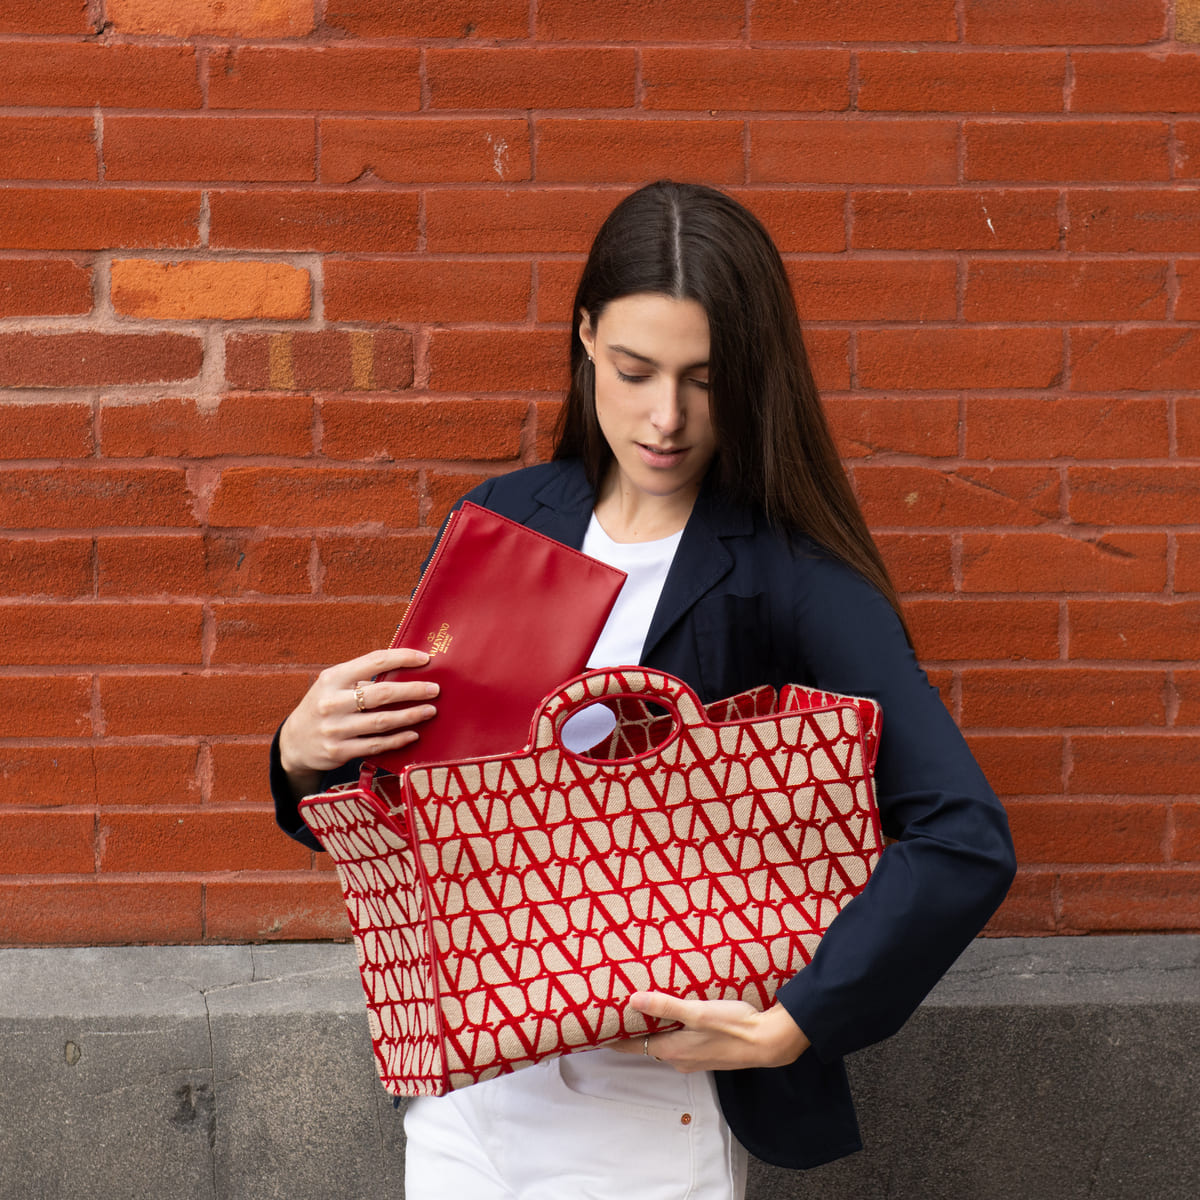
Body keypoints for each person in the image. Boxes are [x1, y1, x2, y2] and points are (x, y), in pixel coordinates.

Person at [270, 181, 1016, 1198]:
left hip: (648, 1107)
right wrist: (303, 754)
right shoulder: (506, 523)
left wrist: (799, 1021)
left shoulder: (789, 575)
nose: (665, 416)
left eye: (705, 380)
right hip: (466, 1099)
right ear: (585, 339)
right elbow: (409, 814)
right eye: (634, 370)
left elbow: (961, 835)